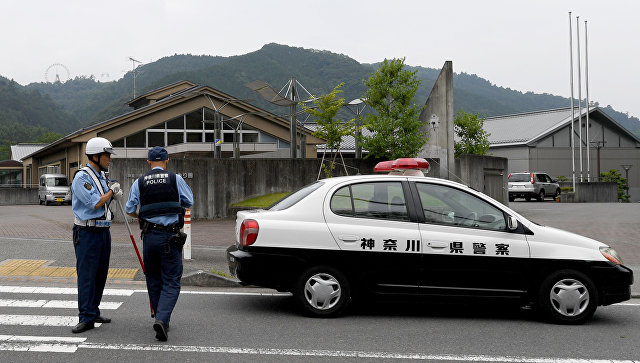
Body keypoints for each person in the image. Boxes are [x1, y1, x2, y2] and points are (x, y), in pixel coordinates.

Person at [125, 146, 193, 342]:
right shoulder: (175, 179)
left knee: (153, 278)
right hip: (170, 237)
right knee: (171, 279)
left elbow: (130, 208)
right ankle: (162, 319)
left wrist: (144, 216)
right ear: (167, 161)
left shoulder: (139, 182)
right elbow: (189, 201)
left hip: (149, 237)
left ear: (148, 162)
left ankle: (159, 316)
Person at [71, 137, 122, 334]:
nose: (109, 159)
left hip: (102, 231)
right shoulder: (82, 177)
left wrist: (111, 192)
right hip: (87, 232)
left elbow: (104, 199)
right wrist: (112, 191)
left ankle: (94, 310)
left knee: (100, 274)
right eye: (106, 155)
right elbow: (95, 203)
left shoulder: (100, 175)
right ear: (95, 156)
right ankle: (86, 317)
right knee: (87, 276)